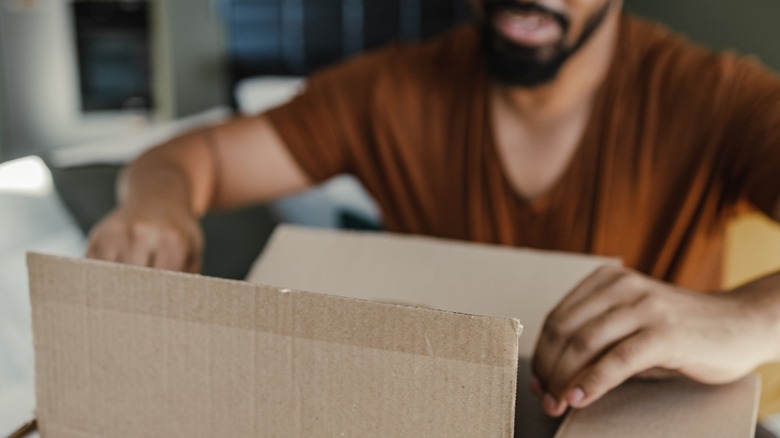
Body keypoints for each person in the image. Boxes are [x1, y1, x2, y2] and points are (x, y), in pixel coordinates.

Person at [87, 0, 780, 421]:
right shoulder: (390, 89)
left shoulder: (715, 98)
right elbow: (187, 158)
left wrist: (742, 317)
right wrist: (158, 205)